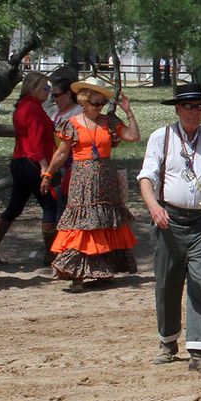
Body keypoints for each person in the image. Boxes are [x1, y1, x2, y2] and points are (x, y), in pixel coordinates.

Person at [138, 83, 201, 375]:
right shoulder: (161, 137)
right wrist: (154, 208)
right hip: (169, 221)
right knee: (167, 283)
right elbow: (146, 178)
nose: (194, 112)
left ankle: (199, 351)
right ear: (177, 109)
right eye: (188, 106)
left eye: (199, 106)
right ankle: (167, 342)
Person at [43, 78, 140, 284]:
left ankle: (102, 270)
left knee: (103, 223)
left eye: (102, 102)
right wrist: (48, 174)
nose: (99, 107)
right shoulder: (71, 124)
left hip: (106, 181)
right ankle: (76, 274)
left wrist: (128, 112)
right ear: (84, 101)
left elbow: (133, 136)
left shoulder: (110, 121)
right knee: (81, 224)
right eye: (96, 102)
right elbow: (61, 153)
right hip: (82, 181)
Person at [0, 72, 57, 266]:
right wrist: (44, 167)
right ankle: (52, 254)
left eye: (49, 88)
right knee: (50, 204)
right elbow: (35, 142)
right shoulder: (33, 109)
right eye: (45, 88)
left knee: (15, 207)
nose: (48, 92)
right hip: (32, 163)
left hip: (20, 161)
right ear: (32, 88)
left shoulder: (24, 106)